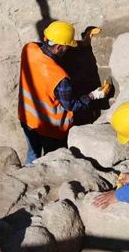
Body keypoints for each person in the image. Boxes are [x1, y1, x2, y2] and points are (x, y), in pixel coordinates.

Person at [18, 21, 109, 164]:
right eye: (66, 47)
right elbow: (72, 106)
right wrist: (94, 95)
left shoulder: (28, 49)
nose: (67, 50)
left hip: (28, 118)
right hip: (50, 130)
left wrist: (83, 43)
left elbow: (48, 46)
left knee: (32, 156)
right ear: (59, 47)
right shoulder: (59, 77)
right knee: (52, 162)